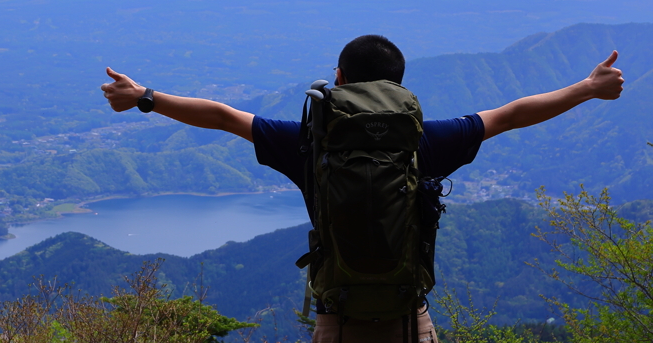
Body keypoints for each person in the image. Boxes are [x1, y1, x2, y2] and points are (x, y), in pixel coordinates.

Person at [100, 34, 625, 343]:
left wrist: (144, 96)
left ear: (340, 78)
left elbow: (222, 116)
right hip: (406, 316)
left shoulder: (310, 140)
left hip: (338, 317)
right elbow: (510, 115)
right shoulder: (424, 140)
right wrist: (588, 88)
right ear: (398, 86)